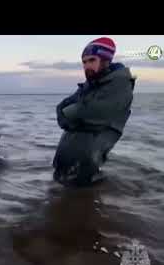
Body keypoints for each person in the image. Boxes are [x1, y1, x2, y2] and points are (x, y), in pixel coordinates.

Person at [53, 37, 135, 186]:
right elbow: (61, 106)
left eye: (92, 60)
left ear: (105, 60)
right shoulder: (90, 85)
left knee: (84, 205)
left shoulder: (120, 86)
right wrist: (65, 114)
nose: (87, 66)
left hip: (86, 165)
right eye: (84, 62)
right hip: (66, 164)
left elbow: (91, 113)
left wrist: (68, 116)